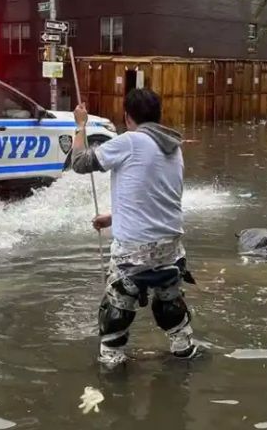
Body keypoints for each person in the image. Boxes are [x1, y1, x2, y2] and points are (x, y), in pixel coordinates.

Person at [72, 89, 197, 367]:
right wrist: (114, 216)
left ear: (127, 117)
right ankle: (184, 352)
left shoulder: (129, 141)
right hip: (171, 249)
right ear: (158, 115)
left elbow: (79, 163)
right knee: (170, 306)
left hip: (133, 252)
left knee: (116, 310)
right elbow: (156, 195)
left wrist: (80, 126)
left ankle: (112, 367)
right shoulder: (173, 146)